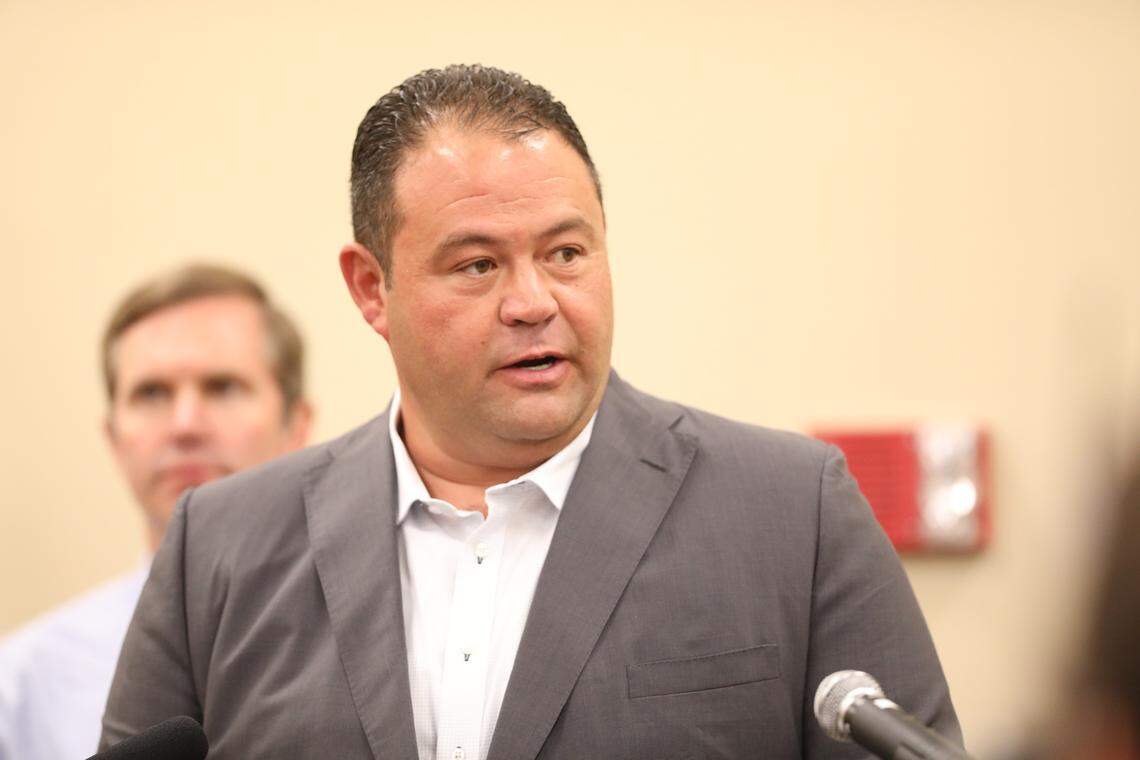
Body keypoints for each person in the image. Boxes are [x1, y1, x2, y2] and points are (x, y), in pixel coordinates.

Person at [101, 65, 961, 759]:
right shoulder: (220, 545)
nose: (534, 302)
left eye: (566, 253)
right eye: (477, 265)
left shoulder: (792, 512)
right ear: (371, 288)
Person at [0, 264, 312, 760]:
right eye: (151, 393)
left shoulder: (386, 641)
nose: (185, 425)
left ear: (297, 425)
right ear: (113, 438)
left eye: (222, 387)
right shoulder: (22, 690)